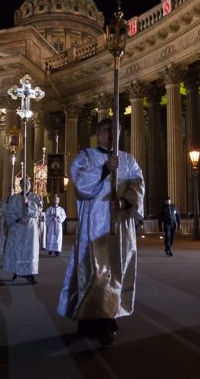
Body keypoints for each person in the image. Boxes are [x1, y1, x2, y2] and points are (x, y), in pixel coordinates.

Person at [57, 118, 145, 346]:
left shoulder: (128, 160)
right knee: (94, 271)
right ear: (98, 134)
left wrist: (126, 203)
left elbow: (138, 185)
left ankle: (108, 320)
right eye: (106, 130)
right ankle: (87, 320)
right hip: (93, 225)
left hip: (119, 226)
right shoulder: (86, 156)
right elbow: (80, 184)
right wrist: (105, 169)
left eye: (114, 130)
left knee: (115, 271)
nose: (110, 134)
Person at [2, 178, 42, 284]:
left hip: (30, 230)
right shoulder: (14, 198)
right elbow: (9, 212)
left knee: (30, 251)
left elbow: (38, 212)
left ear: (30, 184)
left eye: (28, 183)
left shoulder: (35, 197)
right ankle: (17, 271)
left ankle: (30, 273)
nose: (26, 185)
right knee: (18, 250)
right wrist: (17, 219)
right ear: (20, 185)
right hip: (18, 228)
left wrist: (28, 203)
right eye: (23, 183)